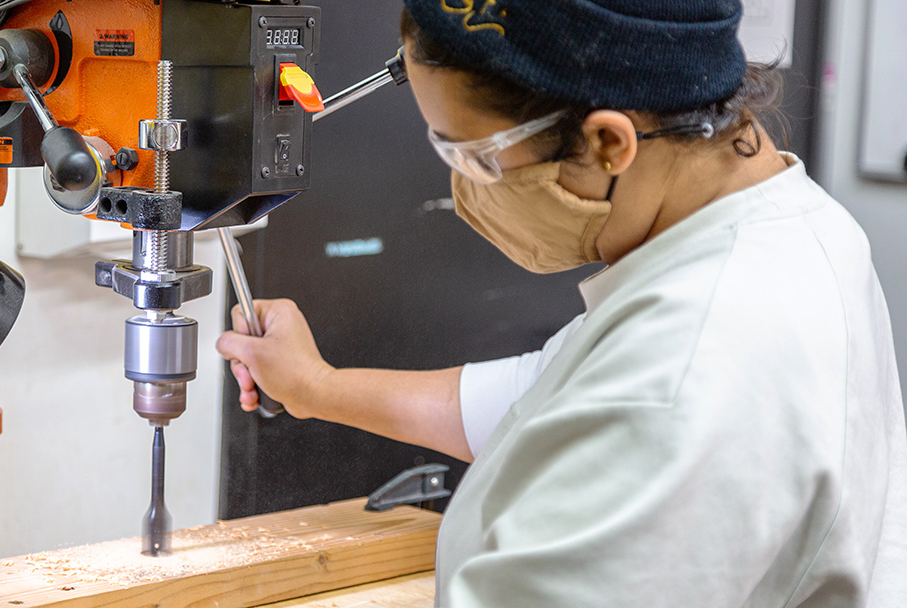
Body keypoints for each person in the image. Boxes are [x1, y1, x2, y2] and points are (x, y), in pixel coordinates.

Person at [217, 1, 907, 605]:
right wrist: (317, 387)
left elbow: (628, 414)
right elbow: (540, 401)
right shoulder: (781, 226)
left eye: (478, 161)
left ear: (608, 143)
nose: (466, 191)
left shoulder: (686, 374)